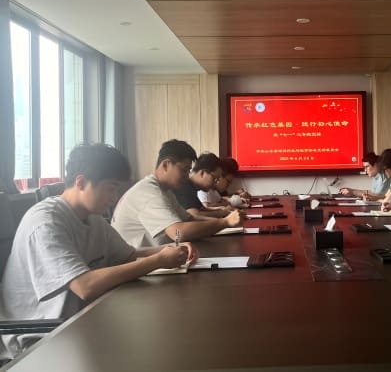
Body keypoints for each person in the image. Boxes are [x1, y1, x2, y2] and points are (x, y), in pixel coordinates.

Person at [0, 144, 197, 360]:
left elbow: (129, 255)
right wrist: (159, 260)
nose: (114, 197)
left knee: (165, 330)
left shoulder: (93, 218)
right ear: (81, 182)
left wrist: (169, 250)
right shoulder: (45, 222)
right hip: (39, 338)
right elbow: (85, 286)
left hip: (81, 321)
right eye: (110, 189)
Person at [112, 140, 244, 247]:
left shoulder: (165, 190)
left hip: (158, 257)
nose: (187, 176)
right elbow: (179, 233)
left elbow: (189, 219)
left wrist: (225, 220)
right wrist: (225, 222)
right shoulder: (149, 193)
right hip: (138, 263)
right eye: (184, 170)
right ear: (166, 165)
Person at [172, 152, 231, 218]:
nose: (216, 182)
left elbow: (202, 209)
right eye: (214, 178)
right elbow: (194, 214)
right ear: (202, 173)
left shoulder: (193, 188)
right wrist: (222, 213)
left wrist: (223, 210)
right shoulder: (185, 187)